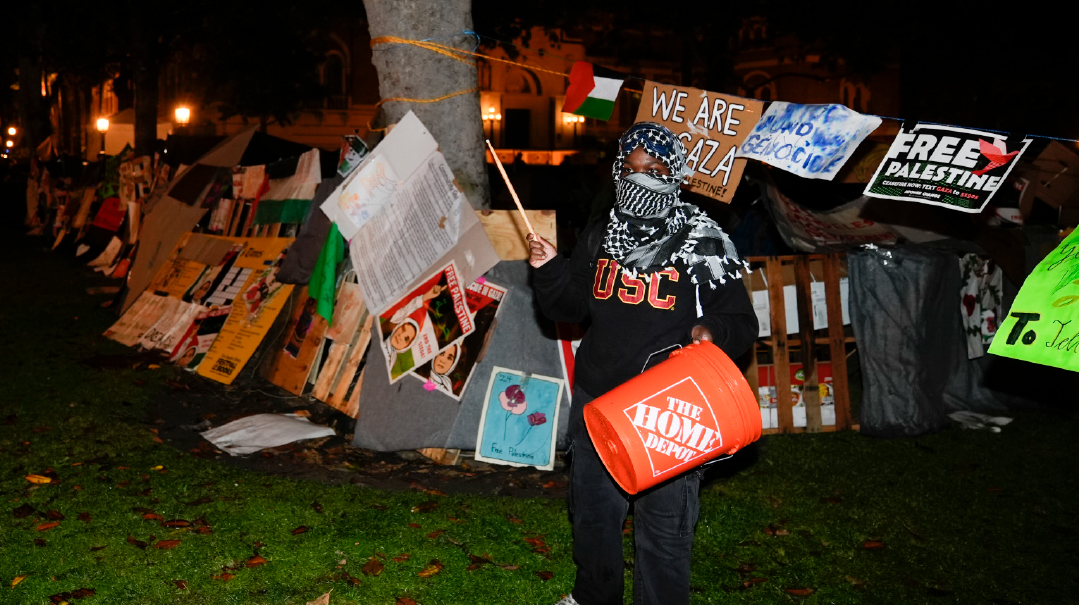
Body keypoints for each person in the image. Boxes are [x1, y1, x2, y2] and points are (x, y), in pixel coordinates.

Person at [528, 122, 758, 605]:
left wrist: (712, 331)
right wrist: (549, 270)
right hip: (599, 398)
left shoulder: (703, 241)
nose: (640, 180)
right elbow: (571, 306)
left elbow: (741, 321)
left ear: (675, 174)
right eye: (630, 170)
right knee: (593, 516)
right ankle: (594, 596)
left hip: (666, 406)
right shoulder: (602, 233)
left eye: (653, 170)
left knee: (664, 527)